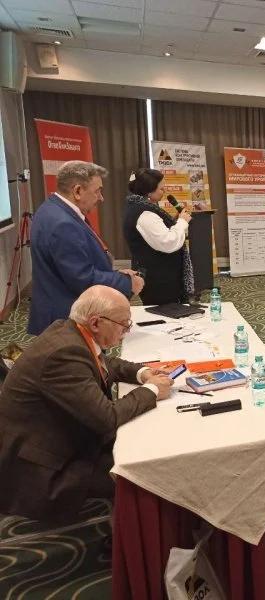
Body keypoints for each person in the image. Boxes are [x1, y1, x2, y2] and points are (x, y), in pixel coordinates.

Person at [0, 286, 174, 522]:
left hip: (59, 439)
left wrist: (143, 373)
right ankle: (138, 539)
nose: (126, 331)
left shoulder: (70, 332)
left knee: (147, 442)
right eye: (124, 325)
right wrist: (152, 390)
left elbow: (105, 363)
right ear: (95, 323)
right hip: (44, 470)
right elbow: (107, 419)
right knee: (149, 470)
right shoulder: (64, 354)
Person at [28, 161, 144, 336]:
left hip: (58, 309)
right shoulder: (63, 224)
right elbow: (82, 279)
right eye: (97, 191)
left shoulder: (53, 209)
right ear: (77, 191)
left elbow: (75, 264)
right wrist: (127, 283)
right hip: (65, 320)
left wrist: (117, 274)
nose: (101, 198)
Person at [124, 168, 194, 306]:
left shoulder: (140, 207)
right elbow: (167, 242)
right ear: (149, 191)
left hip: (159, 275)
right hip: (159, 279)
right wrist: (182, 222)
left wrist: (174, 222)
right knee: (165, 313)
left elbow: (157, 234)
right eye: (161, 189)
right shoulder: (145, 213)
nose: (164, 191)